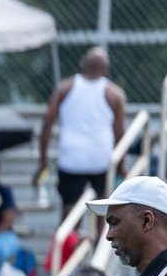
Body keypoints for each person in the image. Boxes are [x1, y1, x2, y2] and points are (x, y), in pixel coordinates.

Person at [39, 46, 127, 213]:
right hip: (101, 159)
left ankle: (70, 237)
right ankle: (100, 238)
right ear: (105, 68)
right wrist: (121, 167)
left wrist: (43, 162)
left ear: (84, 65)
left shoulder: (64, 88)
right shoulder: (114, 94)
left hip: (71, 159)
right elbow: (119, 133)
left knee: (70, 210)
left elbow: (47, 126)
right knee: (104, 208)